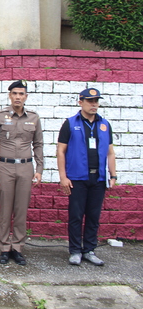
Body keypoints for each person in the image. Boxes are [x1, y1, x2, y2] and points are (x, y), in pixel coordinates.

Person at [0, 80, 43, 266]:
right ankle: (4, 247)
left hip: (26, 168)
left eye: (21, 94)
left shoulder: (34, 117)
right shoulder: (0, 115)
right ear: (10, 95)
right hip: (5, 167)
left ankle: (17, 247)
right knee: (5, 209)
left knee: (21, 210)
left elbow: (38, 144)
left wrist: (39, 169)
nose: (18, 97)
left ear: (26, 96)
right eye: (15, 93)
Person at [57, 88, 116, 266]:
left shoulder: (104, 125)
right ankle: (75, 250)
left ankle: (89, 250)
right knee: (76, 216)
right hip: (77, 178)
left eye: (96, 101)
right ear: (80, 102)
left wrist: (113, 174)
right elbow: (61, 151)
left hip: (98, 178)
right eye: (90, 101)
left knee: (93, 216)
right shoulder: (70, 123)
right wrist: (63, 177)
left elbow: (110, 152)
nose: (94, 104)